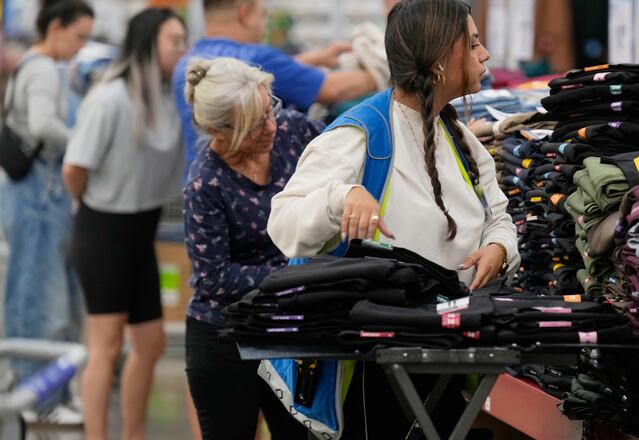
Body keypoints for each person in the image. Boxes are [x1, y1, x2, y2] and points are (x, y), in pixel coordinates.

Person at [267, 0, 518, 437]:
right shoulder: (361, 132)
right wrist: (342, 197)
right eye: (474, 44)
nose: (486, 55)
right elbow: (283, 221)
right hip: (371, 365)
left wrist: (499, 248)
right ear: (441, 60)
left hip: (443, 351)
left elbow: (498, 216)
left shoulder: (459, 138)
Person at [182, 56, 325, 439]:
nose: (271, 126)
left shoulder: (295, 134)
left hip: (291, 331)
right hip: (225, 340)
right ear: (219, 130)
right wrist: (297, 275)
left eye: (270, 109)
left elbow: (352, 153)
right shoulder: (205, 184)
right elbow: (214, 277)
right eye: (255, 123)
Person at [61, 8, 187, 440]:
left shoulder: (171, 98)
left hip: (140, 232)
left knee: (150, 344)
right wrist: (91, 206)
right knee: (106, 346)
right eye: (175, 41)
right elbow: (74, 169)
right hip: (102, 230)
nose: (182, 50)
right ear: (149, 43)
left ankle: (133, 434)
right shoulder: (110, 97)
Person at [0, 0, 93, 425]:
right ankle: (41, 398)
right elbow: (41, 125)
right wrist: (83, 145)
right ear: (55, 27)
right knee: (42, 297)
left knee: (33, 290)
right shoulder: (40, 69)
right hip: (38, 199)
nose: (80, 47)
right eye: (78, 37)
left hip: (40, 198)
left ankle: (29, 383)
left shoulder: (41, 67)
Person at [173, 0, 379, 168]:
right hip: (257, 188)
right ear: (245, 13)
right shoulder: (256, 57)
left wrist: (315, 58)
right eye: (263, 16)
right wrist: (385, 66)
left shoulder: (189, 66)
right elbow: (333, 88)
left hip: (203, 187)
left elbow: (275, 72)